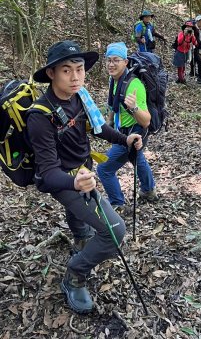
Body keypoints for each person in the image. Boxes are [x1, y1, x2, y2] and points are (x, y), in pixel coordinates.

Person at [26, 40, 142, 315]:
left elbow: (99, 128)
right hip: (62, 180)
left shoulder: (80, 96)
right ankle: (74, 275)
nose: (75, 76)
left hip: (82, 171)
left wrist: (125, 139)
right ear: (52, 74)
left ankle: (81, 240)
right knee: (115, 231)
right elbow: (48, 173)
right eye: (66, 70)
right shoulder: (39, 117)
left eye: (79, 69)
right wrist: (73, 183)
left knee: (83, 220)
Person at [97, 42, 158, 210]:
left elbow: (146, 120)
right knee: (137, 159)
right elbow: (113, 104)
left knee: (104, 170)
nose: (111, 64)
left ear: (125, 61)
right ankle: (149, 190)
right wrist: (109, 123)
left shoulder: (134, 85)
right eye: (109, 60)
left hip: (134, 133)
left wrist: (134, 107)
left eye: (116, 60)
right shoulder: (114, 79)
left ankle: (117, 203)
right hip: (122, 131)